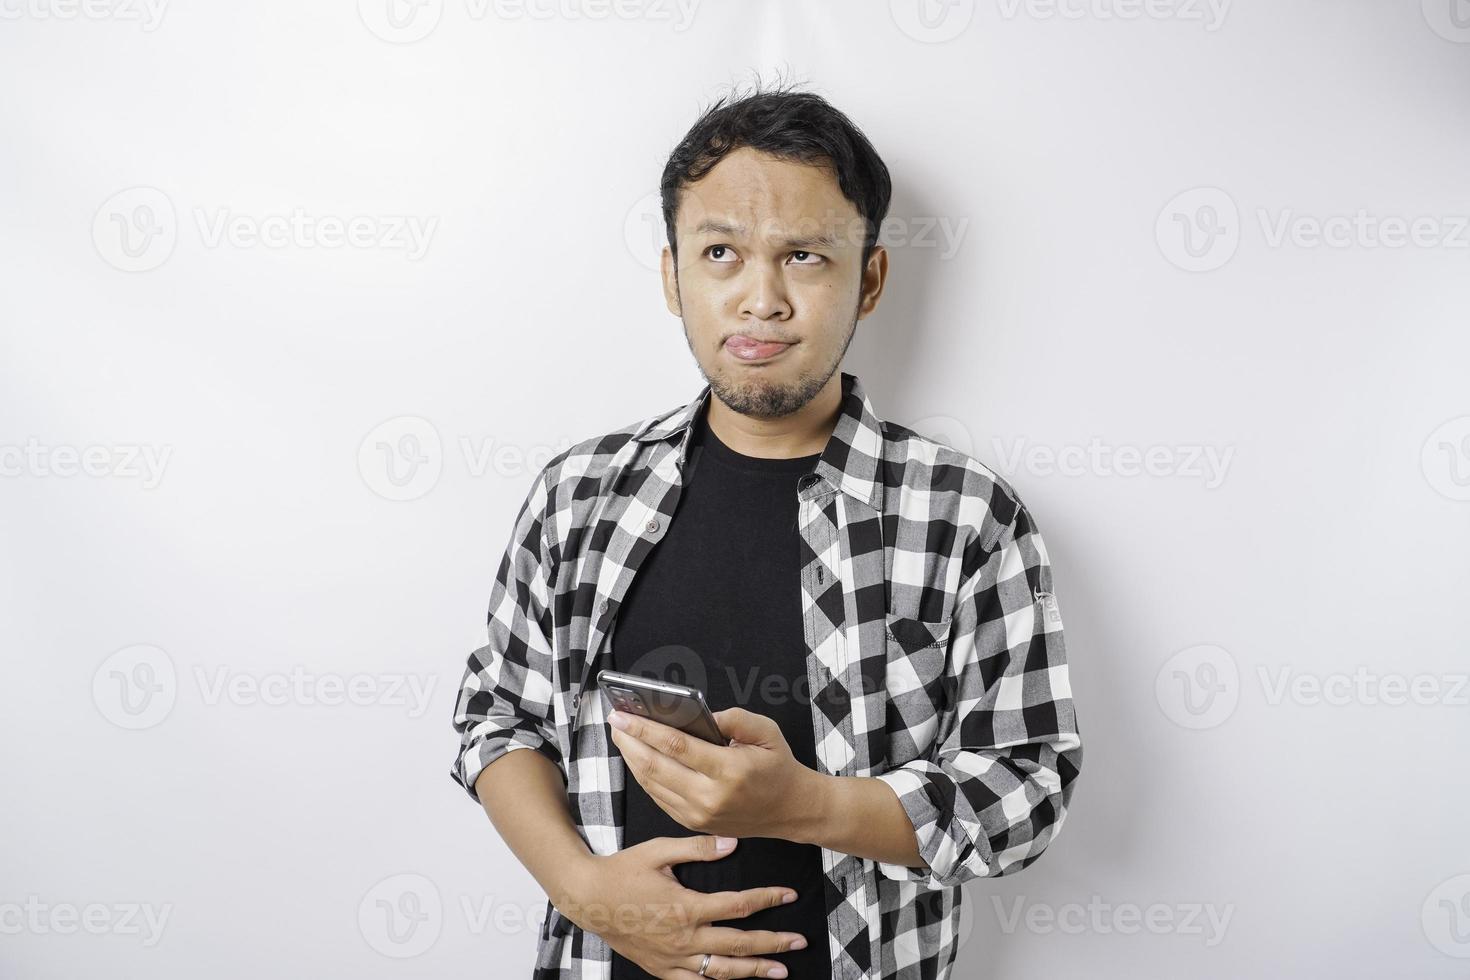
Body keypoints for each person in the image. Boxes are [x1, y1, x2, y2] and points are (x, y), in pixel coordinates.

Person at [449, 79, 1083, 980]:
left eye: (805, 257)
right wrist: (583, 890)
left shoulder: (965, 515)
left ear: (869, 278)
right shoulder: (577, 496)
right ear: (673, 276)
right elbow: (497, 718)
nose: (761, 299)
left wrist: (807, 805)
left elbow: (1027, 783)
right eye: (720, 252)